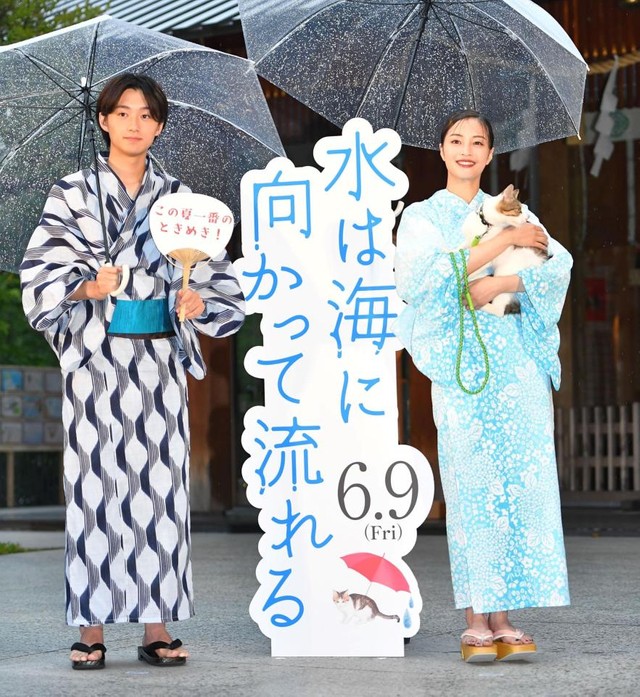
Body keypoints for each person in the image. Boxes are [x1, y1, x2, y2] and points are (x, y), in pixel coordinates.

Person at [20, 73, 246, 669]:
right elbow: (39, 276)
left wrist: (197, 301)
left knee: (159, 492)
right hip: (96, 361)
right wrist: (86, 286)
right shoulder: (72, 192)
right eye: (122, 113)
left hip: (158, 363)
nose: (134, 124)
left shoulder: (179, 200)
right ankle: (90, 628)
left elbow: (220, 283)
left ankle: (156, 627)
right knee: (94, 491)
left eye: (146, 115)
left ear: (160, 126)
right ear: (103, 120)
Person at [394, 110, 572, 663]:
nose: (466, 150)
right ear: (442, 150)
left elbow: (557, 265)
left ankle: (504, 615)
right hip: (463, 366)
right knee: (473, 485)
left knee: (519, 483)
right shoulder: (422, 217)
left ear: (491, 154)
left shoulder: (513, 210)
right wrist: (505, 243)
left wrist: (502, 280)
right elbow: (422, 278)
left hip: (517, 364)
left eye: (478, 142)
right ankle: (476, 615)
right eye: (456, 140)